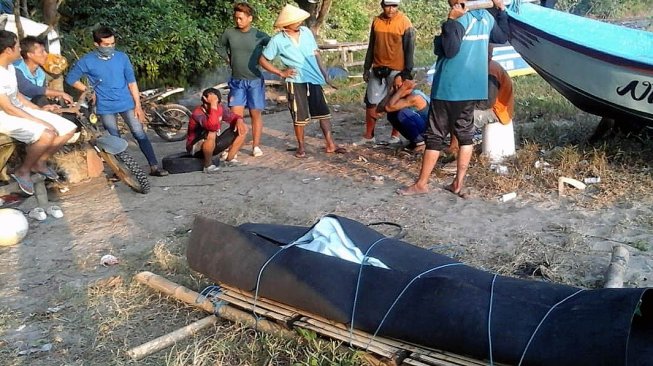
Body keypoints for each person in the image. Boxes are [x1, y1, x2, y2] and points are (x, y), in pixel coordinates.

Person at [398, 0, 509, 197]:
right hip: (472, 87)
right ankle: (458, 183)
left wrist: (450, 21)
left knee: (435, 135)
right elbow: (501, 38)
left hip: (449, 87)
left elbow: (450, 50)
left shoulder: (459, 18)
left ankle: (422, 183)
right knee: (465, 135)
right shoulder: (486, 18)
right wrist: (501, 11)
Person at [65, 26, 168, 177]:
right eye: (106, 45)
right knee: (115, 139)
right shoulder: (87, 61)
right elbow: (70, 79)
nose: (110, 47)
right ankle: (122, 172)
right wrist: (88, 90)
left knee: (139, 133)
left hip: (126, 102)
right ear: (96, 44)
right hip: (105, 107)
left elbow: (132, 83)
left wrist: (138, 106)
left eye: (112, 43)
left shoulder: (122, 57)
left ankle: (154, 166)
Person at [259, 4, 345, 158]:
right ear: (286, 24)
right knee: (299, 116)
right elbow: (263, 60)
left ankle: (330, 143)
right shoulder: (277, 40)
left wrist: (325, 74)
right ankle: (301, 147)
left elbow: (316, 53)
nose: (299, 22)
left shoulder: (306, 32)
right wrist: (280, 72)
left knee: (323, 113)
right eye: (295, 21)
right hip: (295, 80)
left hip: (314, 78)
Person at [0, 30, 76, 195]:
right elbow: (8, 107)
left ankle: (39, 162)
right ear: (8, 50)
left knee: (69, 128)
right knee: (47, 133)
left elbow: (18, 96)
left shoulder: (10, 68)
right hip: (4, 116)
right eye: (18, 45)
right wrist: (39, 121)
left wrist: (38, 110)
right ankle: (23, 170)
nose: (20, 49)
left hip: (18, 109)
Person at [357, 0, 415, 146]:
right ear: (382, 5)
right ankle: (369, 135)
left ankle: (395, 135)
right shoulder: (376, 21)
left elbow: (409, 49)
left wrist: (405, 73)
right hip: (377, 68)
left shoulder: (405, 22)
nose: (391, 9)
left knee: (396, 102)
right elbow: (372, 45)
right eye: (388, 5)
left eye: (394, 6)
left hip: (397, 70)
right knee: (371, 103)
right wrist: (366, 67)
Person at [219, 2, 270, 158]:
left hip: (254, 80)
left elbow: (275, 46)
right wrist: (228, 59)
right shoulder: (229, 33)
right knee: (236, 117)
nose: (238, 21)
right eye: (236, 18)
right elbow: (220, 46)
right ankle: (232, 146)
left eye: (241, 18)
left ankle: (255, 146)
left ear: (250, 18)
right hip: (237, 81)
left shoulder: (259, 35)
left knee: (255, 114)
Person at [447, 45, 514, 158]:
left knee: (460, 117)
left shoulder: (491, 71)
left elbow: (487, 103)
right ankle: (455, 147)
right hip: (492, 107)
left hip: (497, 111)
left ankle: (457, 152)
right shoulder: (484, 67)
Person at [187, 88, 247, 173]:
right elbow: (212, 126)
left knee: (242, 127)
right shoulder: (198, 113)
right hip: (196, 147)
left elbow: (234, 117)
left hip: (214, 142)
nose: (209, 106)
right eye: (208, 104)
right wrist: (213, 106)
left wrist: (239, 120)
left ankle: (230, 159)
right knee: (212, 132)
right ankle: (207, 166)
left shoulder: (220, 108)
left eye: (216, 103)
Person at [14, 36, 73, 106]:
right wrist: (60, 93)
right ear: (30, 55)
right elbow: (28, 89)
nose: (46, 55)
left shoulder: (41, 74)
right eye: (41, 52)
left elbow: (41, 93)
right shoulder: (16, 69)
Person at [381, 72, 429, 151]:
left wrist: (402, 89)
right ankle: (414, 140)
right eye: (394, 86)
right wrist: (390, 93)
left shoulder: (415, 97)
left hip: (429, 132)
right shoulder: (401, 96)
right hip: (423, 128)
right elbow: (380, 110)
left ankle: (421, 143)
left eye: (398, 86)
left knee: (402, 113)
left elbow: (388, 107)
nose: (396, 89)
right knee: (391, 114)